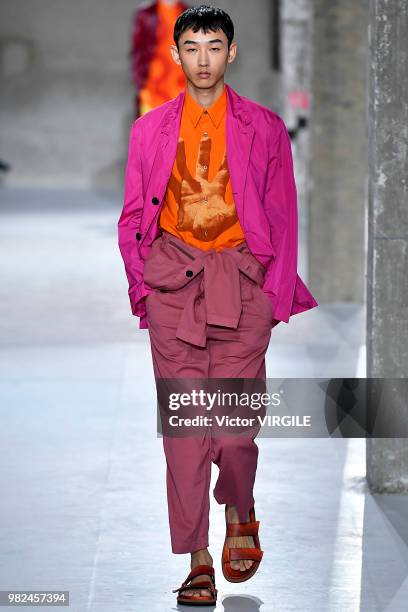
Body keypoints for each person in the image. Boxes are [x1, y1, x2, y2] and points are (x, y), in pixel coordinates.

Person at [118, 4, 318, 606]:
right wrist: (142, 289)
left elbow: (283, 214)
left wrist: (275, 296)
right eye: (192, 47)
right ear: (176, 55)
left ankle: (241, 508)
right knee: (185, 433)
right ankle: (198, 560)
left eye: (214, 47)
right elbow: (133, 216)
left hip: (242, 285)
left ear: (231, 53)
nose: (202, 59)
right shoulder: (149, 130)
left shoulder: (265, 127)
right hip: (173, 288)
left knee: (232, 433)